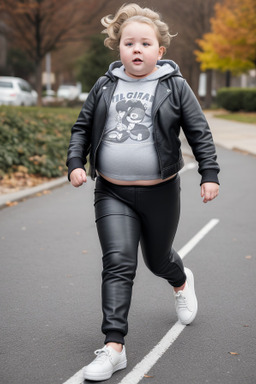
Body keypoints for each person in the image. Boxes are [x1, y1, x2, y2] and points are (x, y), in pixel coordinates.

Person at [66, 3, 220, 381]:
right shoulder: (104, 86)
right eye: (129, 43)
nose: (136, 49)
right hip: (112, 192)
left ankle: (181, 280)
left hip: (161, 191)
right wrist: (75, 163)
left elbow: (199, 132)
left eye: (145, 43)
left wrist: (209, 173)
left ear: (159, 51)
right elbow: (82, 128)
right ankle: (114, 346)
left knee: (157, 259)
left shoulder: (174, 86)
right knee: (119, 262)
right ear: (118, 49)